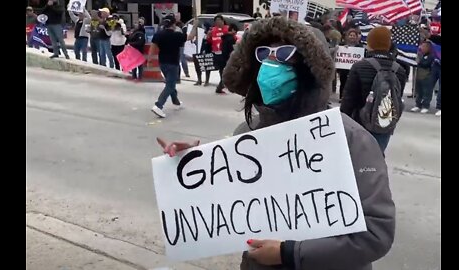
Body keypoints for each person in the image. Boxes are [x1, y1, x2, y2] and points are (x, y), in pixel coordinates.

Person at [157, 17, 395, 270]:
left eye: (284, 53)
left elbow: (376, 232)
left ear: (309, 65)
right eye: (264, 54)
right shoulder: (247, 134)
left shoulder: (350, 139)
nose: (271, 63)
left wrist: (289, 253)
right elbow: (229, 208)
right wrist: (195, 166)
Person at [340, 26, 407, 153]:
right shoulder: (400, 70)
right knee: (377, 158)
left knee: (357, 159)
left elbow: (349, 100)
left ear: (370, 43)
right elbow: (397, 99)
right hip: (384, 121)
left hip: (359, 123)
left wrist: (342, 119)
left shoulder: (360, 66)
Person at [149, 15, 198, 118]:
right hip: (173, 64)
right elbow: (191, 37)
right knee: (170, 85)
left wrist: (150, 60)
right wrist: (195, 26)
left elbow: (152, 48)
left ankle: (176, 102)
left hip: (162, 63)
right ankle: (158, 105)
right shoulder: (177, 35)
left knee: (170, 83)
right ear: (174, 24)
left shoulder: (158, 34)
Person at [410, 40, 435, 114]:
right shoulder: (421, 55)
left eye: (424, 46)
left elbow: (426, 64)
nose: (421, 48)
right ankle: (418, 105)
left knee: (426, 92)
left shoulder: (431, 56)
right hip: (419, 76)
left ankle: (425, 106)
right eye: (421, 46)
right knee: (419, 92)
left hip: (427, 76)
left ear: (428, 48)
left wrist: (419, 62)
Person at [337, 29, 362, 100]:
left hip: (354, 69)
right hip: (344, 69)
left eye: (354, 35)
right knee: (343, 82)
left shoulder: (359, 46)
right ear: (347, 36)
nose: (352, 37)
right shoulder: (342, 44)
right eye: (350, 35)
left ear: (356, 37)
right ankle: (341, 97)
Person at [207, 15, 229, 94]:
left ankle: (222, 84)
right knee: (221, 69)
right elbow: (210, 41)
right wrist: (208, 36)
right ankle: (222, 83)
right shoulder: (213, 30)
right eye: (216, 21)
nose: (218, 22)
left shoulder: (227, 29)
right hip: (216, 52)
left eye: (219, 20)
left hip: (225, 52)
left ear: (223, 21)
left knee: (226, 69)